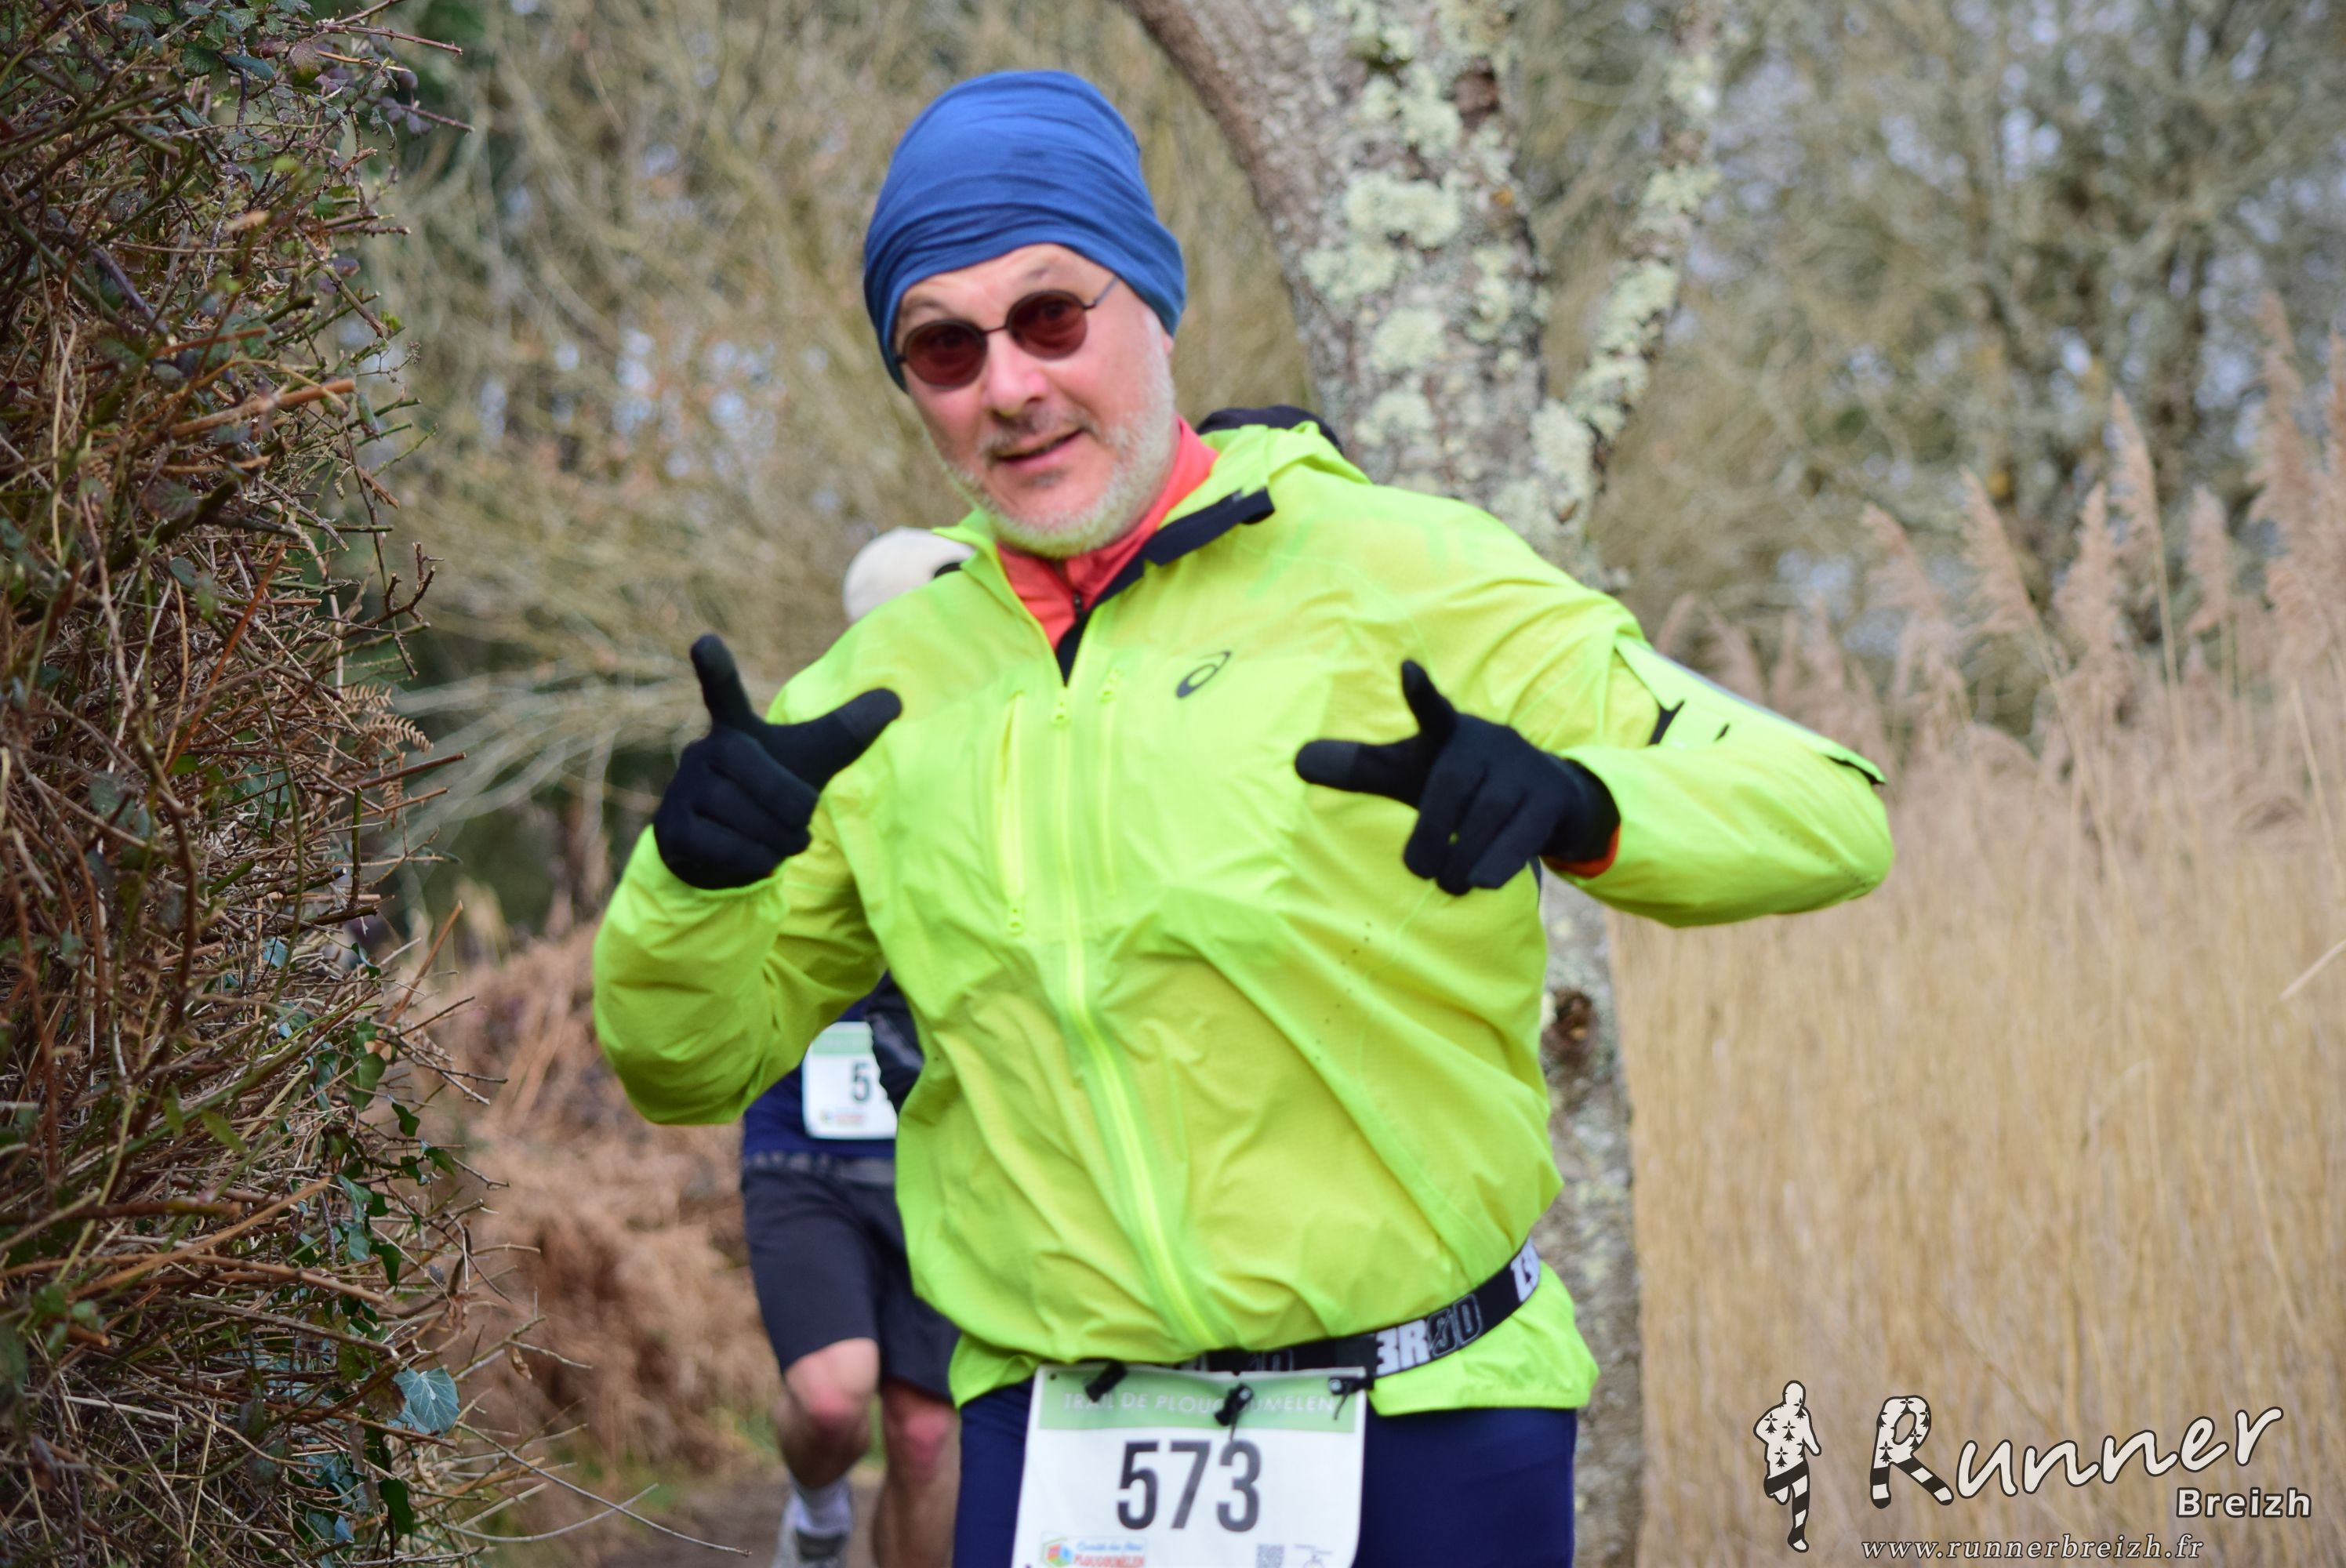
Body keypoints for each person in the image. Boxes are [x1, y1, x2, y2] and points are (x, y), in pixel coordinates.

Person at [594, 70, 1894, 1568]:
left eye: (1051, 317)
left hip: (1426, 1427)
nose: (1008, 386)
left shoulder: (1404, 571)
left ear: (1154, 301)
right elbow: (686, 1062)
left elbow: (1827, 810)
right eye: (946, 347)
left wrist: (1586, 803)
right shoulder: (878, 689)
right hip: (1057, 1447)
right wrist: (689, 883)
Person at [735, 528, 970, 1568]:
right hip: (808, 1146)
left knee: (924, 1434)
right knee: (835, 1402)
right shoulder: (808, 751)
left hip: (943, 1155)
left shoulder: (1012, 757)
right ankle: (819, 1512)